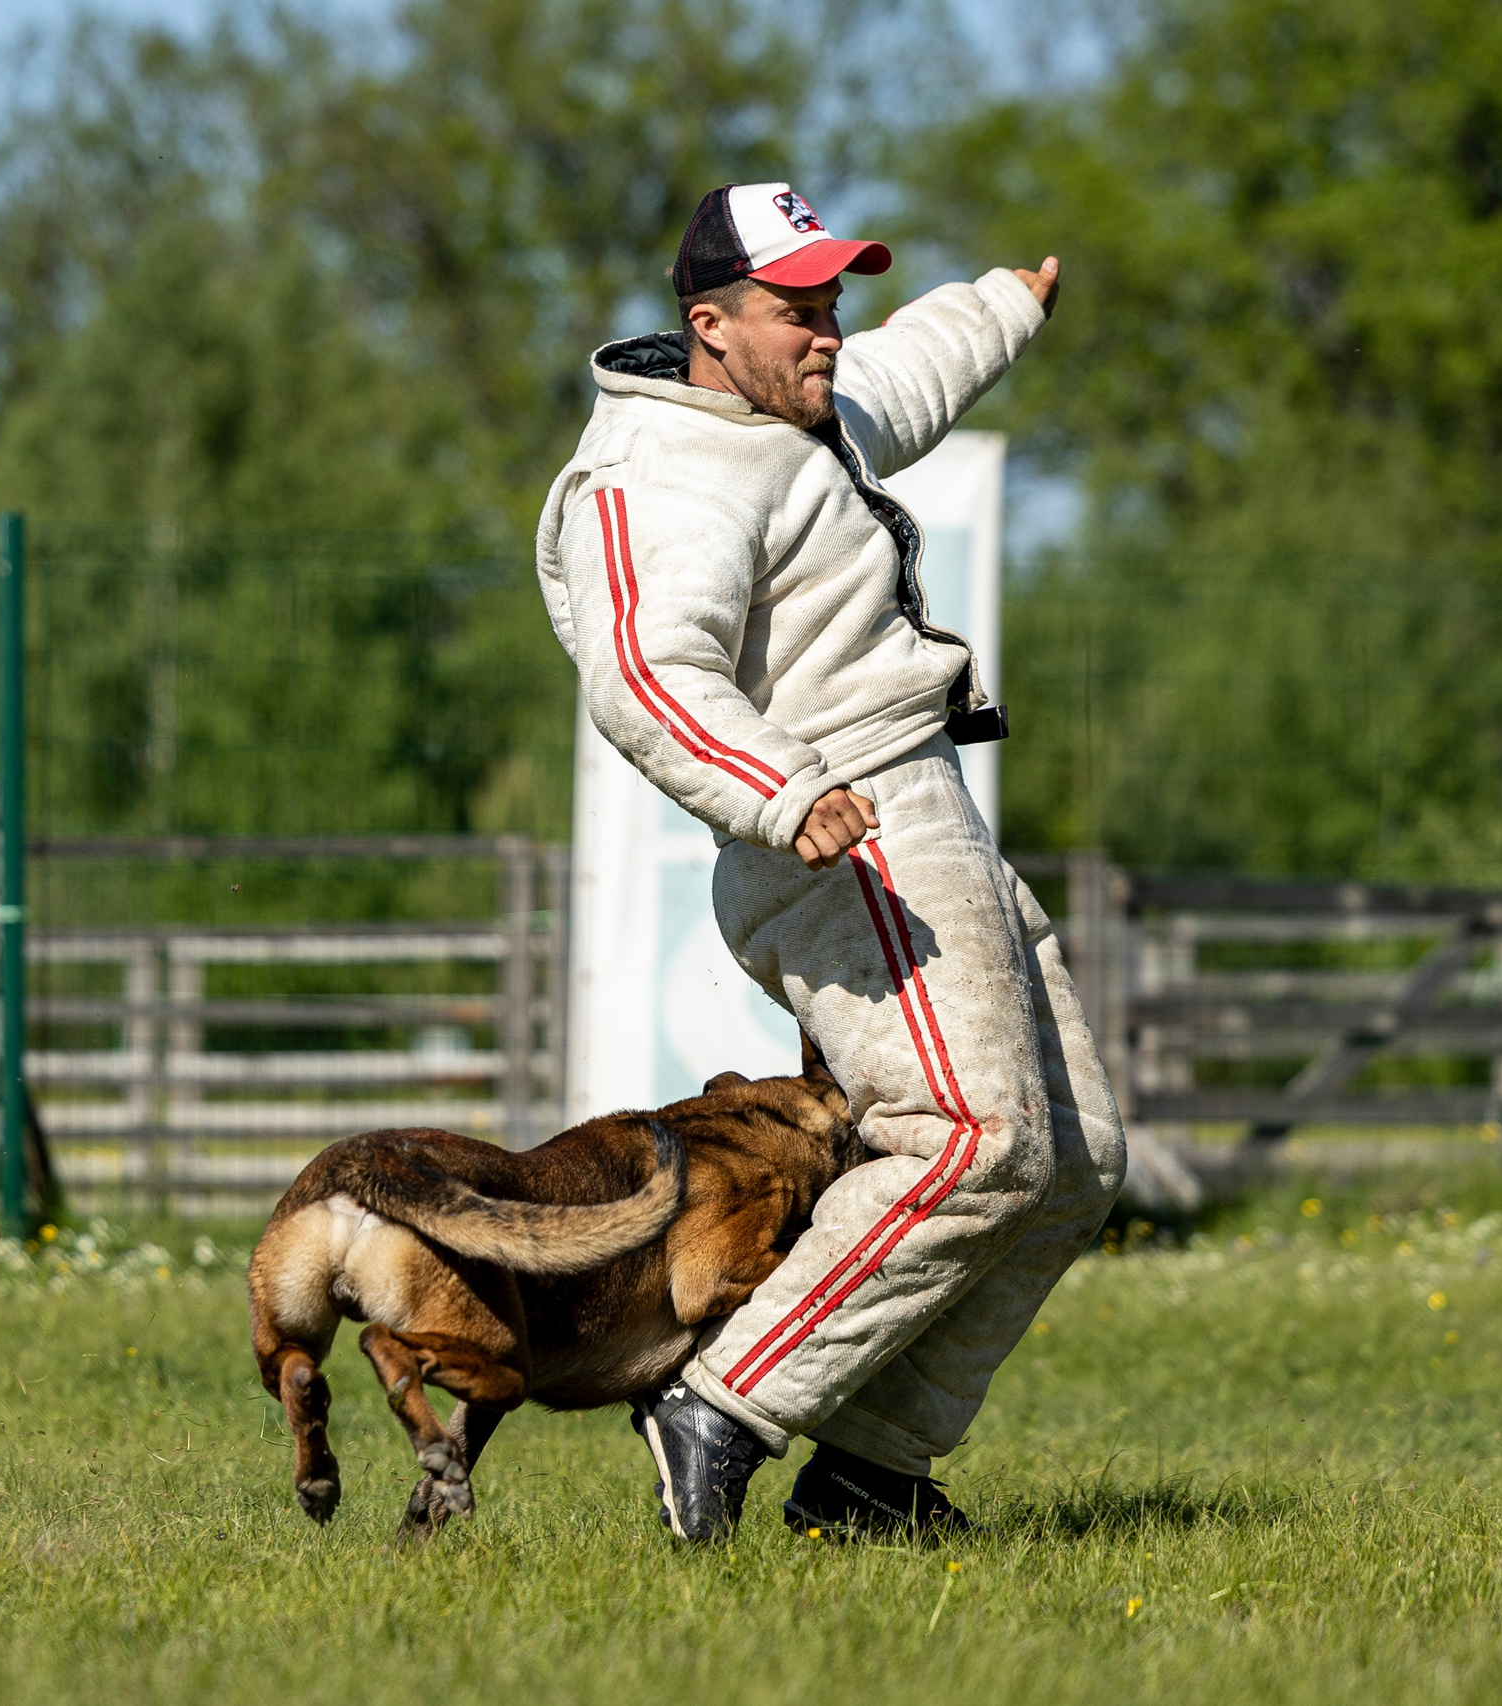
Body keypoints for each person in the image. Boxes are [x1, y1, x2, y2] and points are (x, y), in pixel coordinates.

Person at [534, 183, 1128, 1543]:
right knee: (971, 1138)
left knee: (1078, 1154)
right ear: (710, 322)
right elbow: (641, 672)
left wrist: (1001, 307)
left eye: (833, 301)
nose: (827, 330)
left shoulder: (791, 413)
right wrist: (781, 787)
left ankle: (870, 1474)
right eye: (798, 307)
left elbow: (901, 381)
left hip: (918, 806)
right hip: (837, 819)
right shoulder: (652, 473)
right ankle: (723, 1401)